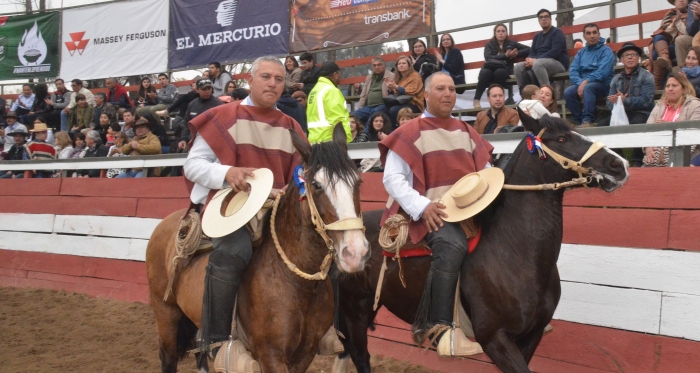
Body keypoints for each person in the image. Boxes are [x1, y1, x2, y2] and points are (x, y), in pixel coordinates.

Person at [184, 55, 306, 365]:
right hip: (230, 209)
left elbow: (301, 177)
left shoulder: (292, 126)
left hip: (278, 213)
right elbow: (193, 165)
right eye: (265, 77)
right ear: (249, 81)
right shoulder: (222, 116)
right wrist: (227, 173)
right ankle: (214, 341)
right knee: (234, 252)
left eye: (279, 79)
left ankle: (324, 329)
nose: (272, 84)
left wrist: (292, 191)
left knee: (321, 251)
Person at [379, 71, 492, 357]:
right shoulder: (409, 132)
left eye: (452, 89)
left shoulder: (467, 131)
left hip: (470, 211)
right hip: (430, 212)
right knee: (452, 244)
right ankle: (441, 329)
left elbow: (486, 172)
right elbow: (393, 179)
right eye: (440, 88)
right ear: (425, 95)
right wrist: (421, 207)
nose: (448, 94)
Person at [564, 23, 615, 127]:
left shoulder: (606, 51)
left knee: (588, 87)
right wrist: (581, 84)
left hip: (603, 85)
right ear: (584, 36)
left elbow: (603, 73)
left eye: (594, 32)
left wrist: (585, 82)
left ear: (599, 34)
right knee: (568, 92)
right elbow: (573, 71)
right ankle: (579, 121)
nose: (592, 36)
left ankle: (588, 120)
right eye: (588, 33)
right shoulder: (581, 53)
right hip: (584, 84)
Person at [645, 72, 700, 166]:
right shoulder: (659, 105)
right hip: (656, 156)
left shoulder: (695, 105)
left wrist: (669, 127)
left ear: (684, 89)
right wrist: (648, 147)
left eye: (674, 85)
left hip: (687, 154)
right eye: (667, 86)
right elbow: (647, 129)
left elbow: (693, 134)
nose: (670, 89)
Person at [598, 42, 655, 131]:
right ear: (621, 60)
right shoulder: (616, 79)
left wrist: (625, 100)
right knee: (601, 126)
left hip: (642, 113)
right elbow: (609, 102)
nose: (630, 57)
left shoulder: (647, 76)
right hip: (622, 113)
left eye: (633, 54)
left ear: (638, 58)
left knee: (636, 124)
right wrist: (616, 101)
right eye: (626, 55)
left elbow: (647, 101)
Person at [475, 24, 530, 108]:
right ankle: (476, 100)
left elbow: (528, 49)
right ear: (495, 33)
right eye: (498, 31)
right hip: (490, 68)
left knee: (499, 72)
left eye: (503, 31)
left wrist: (516, 54)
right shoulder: (489, 44)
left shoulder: (511, 43)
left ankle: (498, 99)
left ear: (506, 33)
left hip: (504, 69)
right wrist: (505, 56)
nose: (501, 33)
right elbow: (488, 57)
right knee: (485, 72)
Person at [513, 9, 569, 93]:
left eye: (546, 17)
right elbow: (532, 52)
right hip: (538, 62)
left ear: (551, 19)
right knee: (518, 67)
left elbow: (555, 51)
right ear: (538, 21)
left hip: (557, 63)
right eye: (541, 17)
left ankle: (547, 93)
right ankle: (524, 95)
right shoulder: (537, 36)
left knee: (537, 64)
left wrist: (535, 60)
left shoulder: (557, 32)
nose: (544, 19)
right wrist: (529, 60)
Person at [306, 61, 352, 143]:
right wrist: (346, 141)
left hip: (313, 142)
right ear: (336, 74)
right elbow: (338, 120)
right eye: (339, 74)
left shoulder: (314, 91)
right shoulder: (332, 90)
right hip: (329, 143)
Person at [650, 0, 690, 90]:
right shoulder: (670, 14)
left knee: (656, 54)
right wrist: (673, 24)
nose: (682, 0)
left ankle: (657, 84)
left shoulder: (692, 13)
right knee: (658, 37)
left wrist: (678, 22)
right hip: (669, 44)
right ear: (674, 2)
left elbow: (689, 32)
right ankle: (665, 58)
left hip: (682, 45)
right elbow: (665, 31)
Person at [178, 78, 224, 150]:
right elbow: (186, 124)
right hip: (195, 142)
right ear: (197, 90)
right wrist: (183, 139)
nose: (207, 91)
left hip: (214, 143)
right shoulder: (192, 105)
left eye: (209, 88)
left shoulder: (219, 104)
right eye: (204, 89)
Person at [352, 57, 394, 127]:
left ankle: (365, 136)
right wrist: (360, 108)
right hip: (368, 107)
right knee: (353, 116)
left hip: (383, 105)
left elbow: (394, 91)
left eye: (379, 65)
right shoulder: (369, 78)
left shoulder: (391, 76)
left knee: (373, 115)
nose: (377, 67)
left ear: (384, 66)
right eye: (374, 65)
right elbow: (363, 95)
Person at [158, 79, 200, 147]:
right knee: (177, 124)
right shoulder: (187, 96)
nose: (192, 85)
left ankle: (180, 142)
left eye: (194, 84)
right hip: (182, 116)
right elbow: (177, 104)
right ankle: (178, 142)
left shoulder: (198, 98)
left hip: (191, 118)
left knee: (182, 126)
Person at [385, 56, 424, 126]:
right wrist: (390, 87)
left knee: (394, 110)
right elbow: (395, 93)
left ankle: (397, 130)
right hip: (400, 102)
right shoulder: (398, 77)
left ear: (409, 65)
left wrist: (396, 87)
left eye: (404, 63)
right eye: (399, 64)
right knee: (382, 109)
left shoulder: (415, 76)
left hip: (414, 103)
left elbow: (411, 92)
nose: (401, 65)